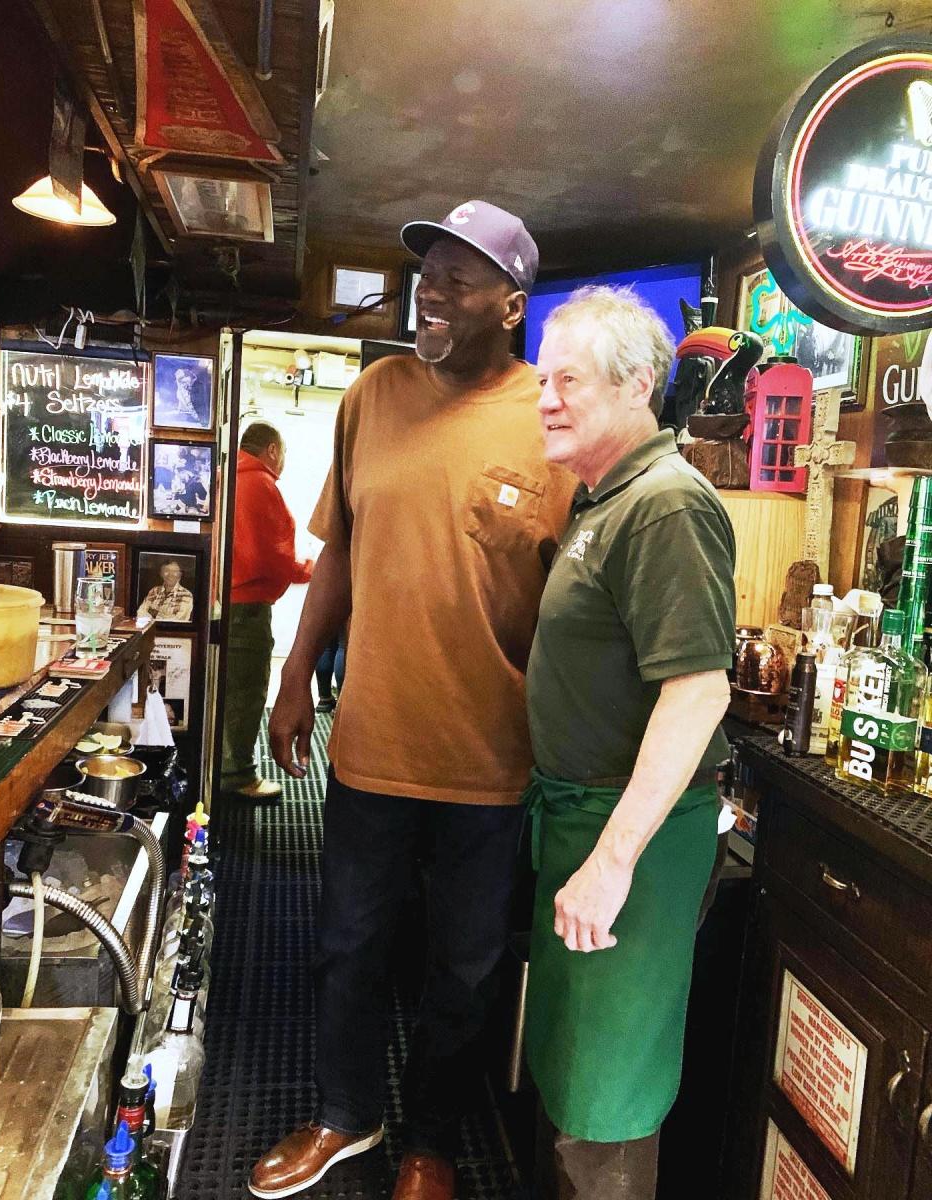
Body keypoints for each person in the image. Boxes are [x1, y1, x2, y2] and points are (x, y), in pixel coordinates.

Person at [253, 201, 575, 1200]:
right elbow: (340, 547)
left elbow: (575, 597)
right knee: (348, 942)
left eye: (458, 279)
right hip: (373, 741)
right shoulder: (374, 394)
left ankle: (431, 1136)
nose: (428, 292)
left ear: (511, 306)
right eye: (424, 273)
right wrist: (296, 672)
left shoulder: (553, 422)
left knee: (464, 968)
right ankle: (346, 1115)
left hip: (488, 758)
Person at [524, 285, 736, 1199]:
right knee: (575, 1077)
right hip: (580, 820)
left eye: (568, 379)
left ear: (637, 385)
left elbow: (696, 694)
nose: (545, 399)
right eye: (543, 379)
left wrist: (612, 863)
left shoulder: (665, 506)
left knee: (607, 1097)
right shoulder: (605, 501)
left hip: (629, 842)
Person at [221, 421, 313, 799]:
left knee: (224, 692)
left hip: (220, 603)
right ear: (272, 450)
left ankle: (221, 767)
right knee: (245, 692)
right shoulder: (260, 484)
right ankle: (236, 775)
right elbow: (272, 556)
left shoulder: (225, 476)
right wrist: (309, 570)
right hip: (247, 608)